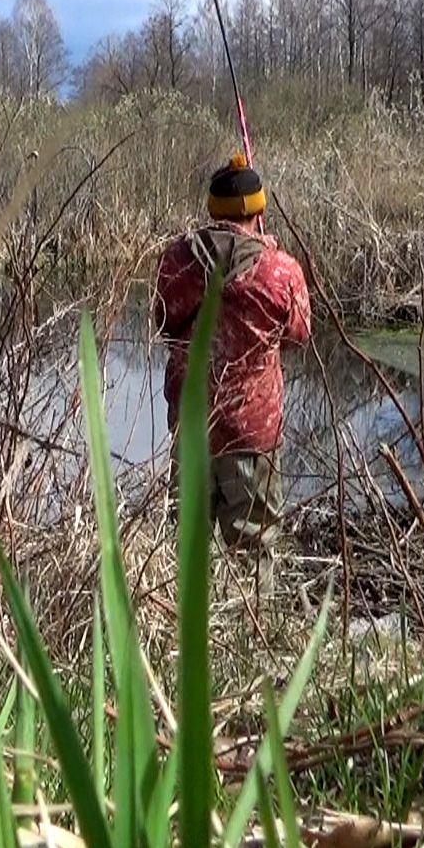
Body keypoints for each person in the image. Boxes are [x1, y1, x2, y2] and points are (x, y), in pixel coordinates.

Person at [150, 153, 311, 554]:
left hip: (191, 427)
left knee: (187, 549)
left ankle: (186, 618)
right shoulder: (281, 270)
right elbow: (299, 335)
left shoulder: (177, 260)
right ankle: (255, 619)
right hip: (253, 434)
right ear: (259, 211)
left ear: (212, 208)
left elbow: (163, 321)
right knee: (254, 552)